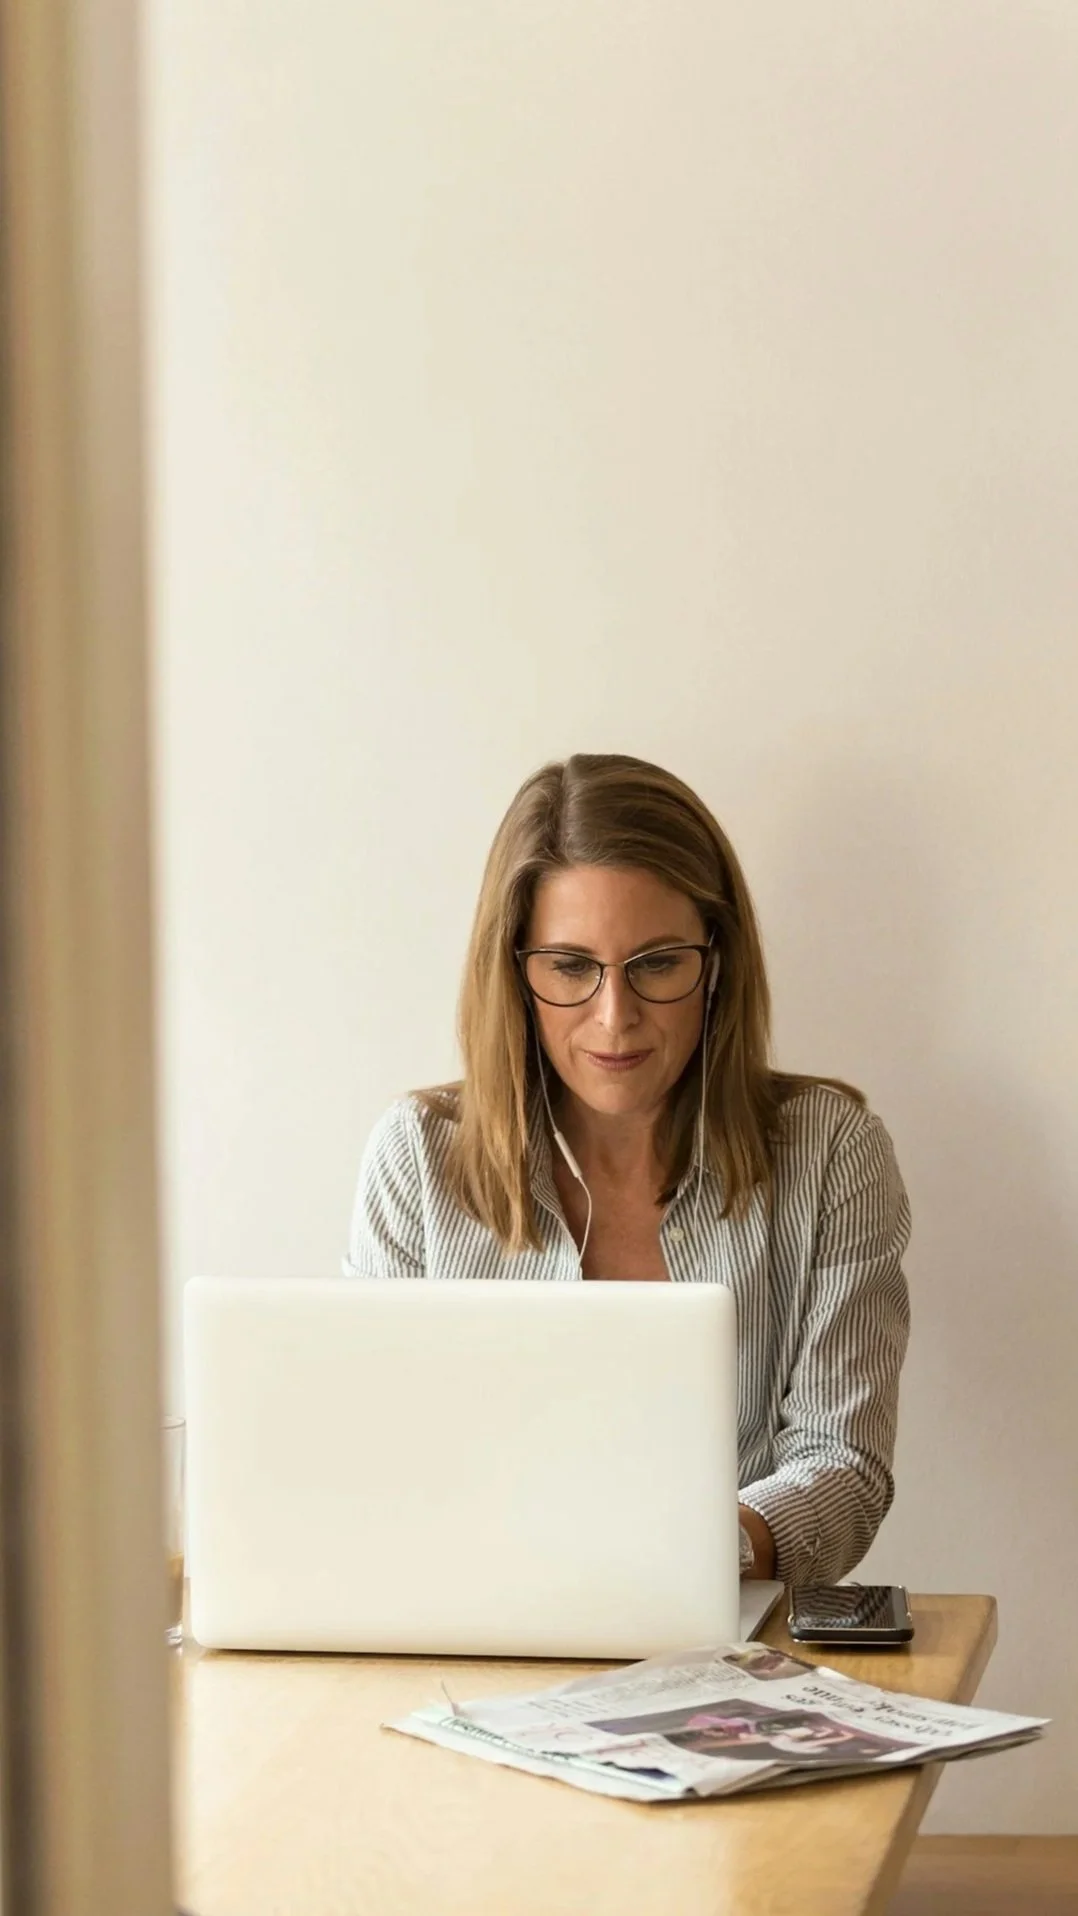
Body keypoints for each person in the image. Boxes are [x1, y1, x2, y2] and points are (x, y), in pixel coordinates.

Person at [343, 753, 911, 1585]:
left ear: (715, 961)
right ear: (515, 972)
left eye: (656, 964)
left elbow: (845, 1468)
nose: (616, 1018)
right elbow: (374, 1462)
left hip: (733, 1647)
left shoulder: (831, 1152)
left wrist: (684, 1556)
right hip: (471, 1630)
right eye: (571, 967)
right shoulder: (417, 1157)